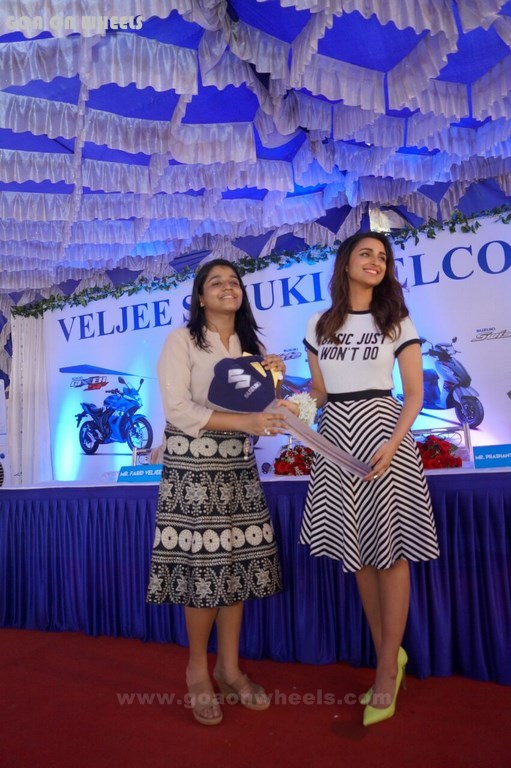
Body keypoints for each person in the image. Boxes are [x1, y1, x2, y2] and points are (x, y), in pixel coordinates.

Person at [292, 231, 440, 726]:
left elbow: (414, 394)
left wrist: (393, 444)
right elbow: (320, 391)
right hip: (336, 438)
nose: (376, 261)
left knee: (391, 553)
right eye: (366, 254)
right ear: (345, 262)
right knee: (358, 554)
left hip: (383, 436)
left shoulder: (396, 320)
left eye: (382, 256)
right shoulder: (318, 324)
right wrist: (292, 405)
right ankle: (387, 656)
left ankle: (385, 671)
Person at [146, 258, 287, 726]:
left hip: (237, 465)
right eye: (216, 282)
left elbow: (263, 412)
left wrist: (276, 381)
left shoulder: (251, 348)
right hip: (195, 465)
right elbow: (178, 409)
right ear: (200, 297)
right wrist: (246, 420)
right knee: (205, 569)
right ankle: (197, 671)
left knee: (237, 566)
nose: (228, 287)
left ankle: (229, 668)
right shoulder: (181, 341)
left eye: (234, 281)